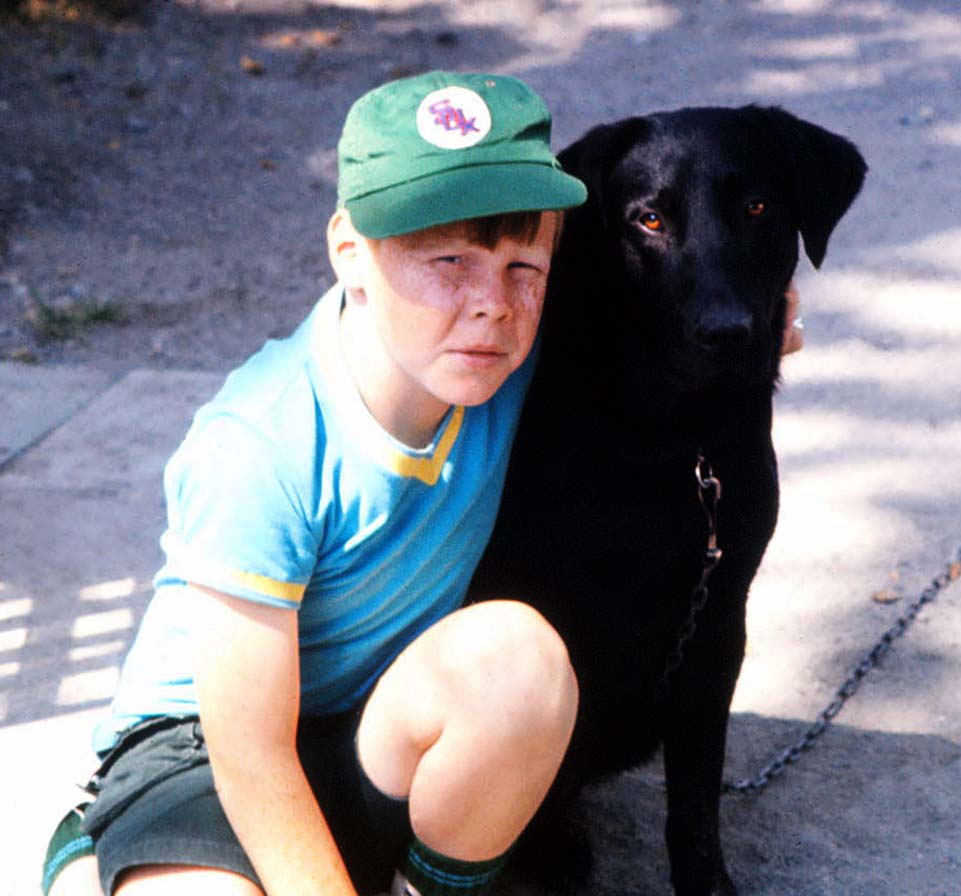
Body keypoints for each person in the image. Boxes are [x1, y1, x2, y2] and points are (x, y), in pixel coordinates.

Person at [42, 70, 588, 896]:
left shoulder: (497, 353)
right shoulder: (260, 444)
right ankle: (102, 849)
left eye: (524, 264)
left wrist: (773, 315)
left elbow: (676, 300)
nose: (492, 303)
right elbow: (252, 755)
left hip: (366, 731)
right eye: (448, 259)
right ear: (349, 252)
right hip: (205, 754)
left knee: (520, 662)